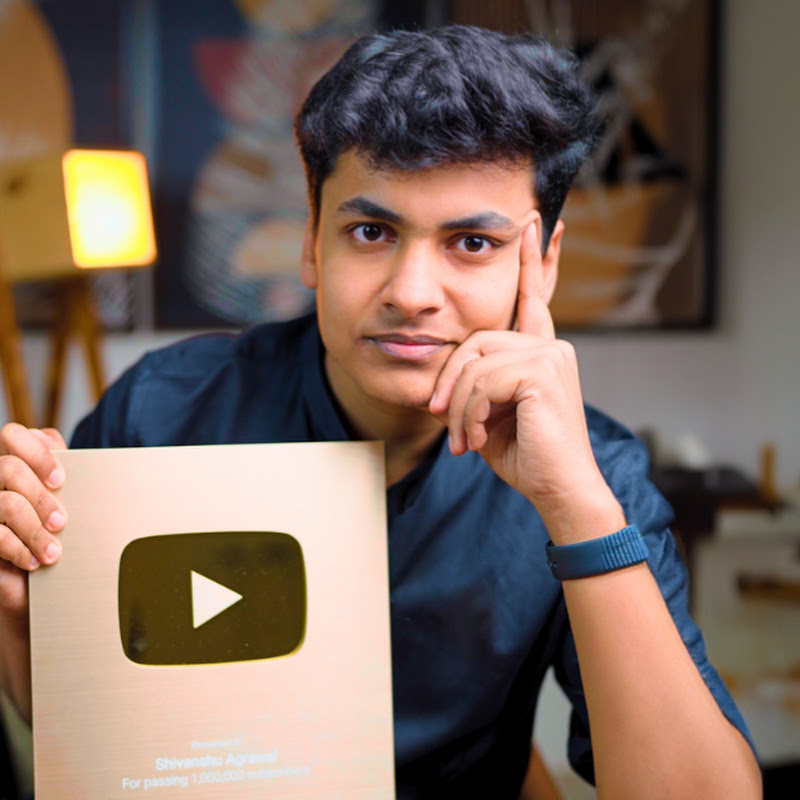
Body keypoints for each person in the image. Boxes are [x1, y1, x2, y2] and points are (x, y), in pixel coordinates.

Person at [0, 25, 761, 799]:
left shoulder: (598, 475)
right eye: (371, 232)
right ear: (312, 240)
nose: (412, 292)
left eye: (472, 243)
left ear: (543, 262)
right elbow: (68, 726)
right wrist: (19, 603)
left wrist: (577, 509)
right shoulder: (161, 414)